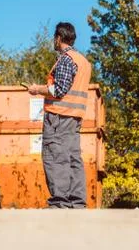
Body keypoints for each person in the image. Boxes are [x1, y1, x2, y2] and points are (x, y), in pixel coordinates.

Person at [28, 22, 92, 209]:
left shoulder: (66, 60)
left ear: (58, 38)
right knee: (73, 158)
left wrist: (36, 89)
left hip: (58, 117)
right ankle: (77, 203)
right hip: (74, 117)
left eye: (54, 38)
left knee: (56, 157)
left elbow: (59, 89)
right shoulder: (84, 61)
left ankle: (60, 204)